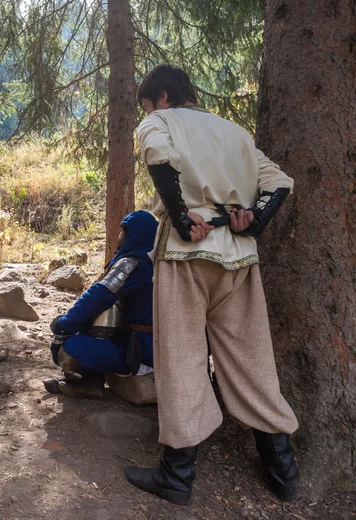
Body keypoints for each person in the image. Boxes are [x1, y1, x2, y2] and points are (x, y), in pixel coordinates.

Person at [125, 64, 299, 506]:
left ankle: (176, 477)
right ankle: (284, 474)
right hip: (238, 256)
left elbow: (159, 158)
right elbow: (279, 181)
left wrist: (182, 219)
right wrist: (254, 220)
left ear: (162, 97)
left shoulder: (158, 122)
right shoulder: (234, 132)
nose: (147, 112)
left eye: (147, 104)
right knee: (252, 358)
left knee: (181, 358)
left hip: (186, 255)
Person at [46, 210, 158, 399]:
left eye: (123, 232)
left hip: (143, 352)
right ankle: (87, 381)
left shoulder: (135, 263)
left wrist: (64, 326)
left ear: (135, 234)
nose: (119, 237)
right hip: (138, 342)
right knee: (91, 329)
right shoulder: (150, 263)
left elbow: (98, 296)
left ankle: (88, 382)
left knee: (71, 345)